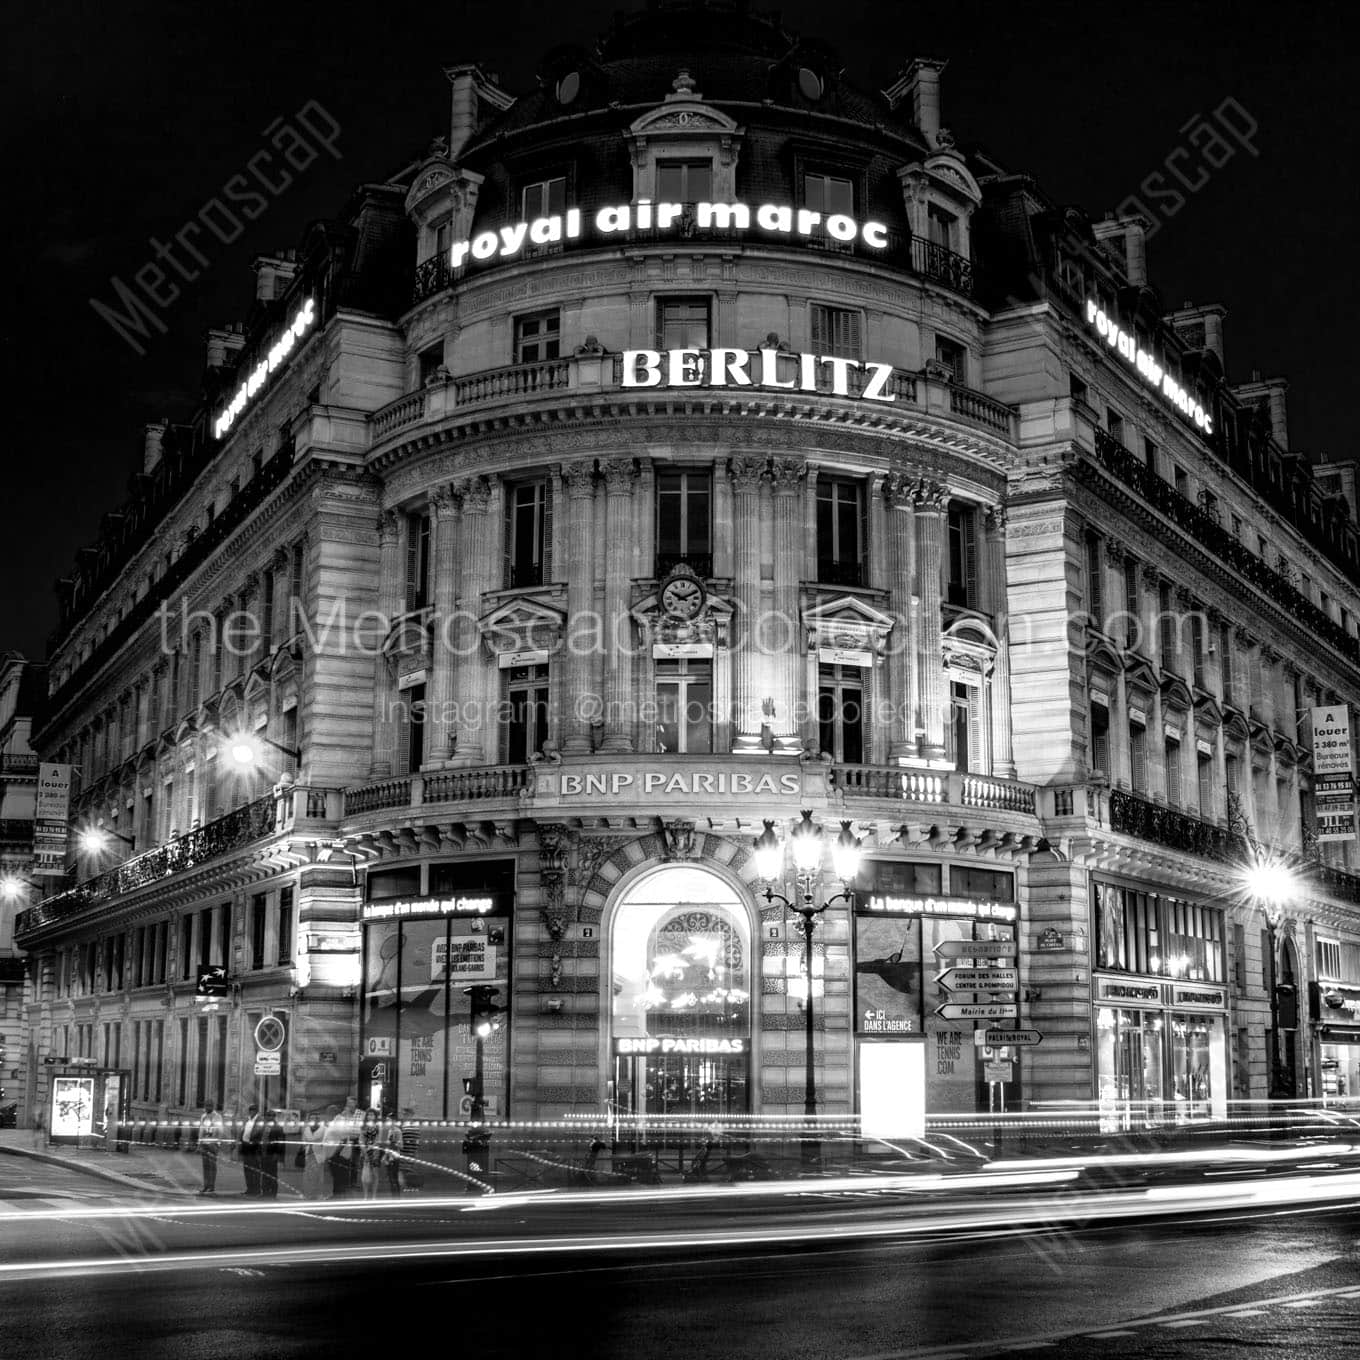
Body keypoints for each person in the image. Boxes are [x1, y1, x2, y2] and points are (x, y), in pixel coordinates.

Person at [320, 1100, 355, 1199]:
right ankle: (337, 1194)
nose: (327, 1114)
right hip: (334, 1154)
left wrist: (335, 1154)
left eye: (329, 1112)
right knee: (336, 1175)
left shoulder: (340, 1121)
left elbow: (343, 1138)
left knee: (339, 1175)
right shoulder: (334, 1121)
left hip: (339, 1155)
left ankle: (339, 1195)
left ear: (333, 1113)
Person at [197, 1101, 224, 1195]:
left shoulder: (217, 1116)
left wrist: (218, 1143)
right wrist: (199, 1143)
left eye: (210, 1106)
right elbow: (201, 1130)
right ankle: (206, 1185)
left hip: (213, 1144)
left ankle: (211, 1186)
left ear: (213, 1106)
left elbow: (220, 1131)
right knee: (205, 1166)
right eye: (206, 1106)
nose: (208, 1107)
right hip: (204, 1143)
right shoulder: (203, 1116)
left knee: (212, 1166)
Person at [259, 1110, 285, 1199]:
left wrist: (277, 1154)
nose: (269, 1117)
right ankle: (265, 1192)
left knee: (272, 1174)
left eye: (271, 1115)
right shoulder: (263, 1126)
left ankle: (273, 1193)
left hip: (272, 1153)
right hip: (263, 1153)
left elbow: (280, 1142)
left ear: (274, 1117)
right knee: (264, 1173)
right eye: (267, 1115)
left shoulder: (278, 1127)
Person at [358, 1107, 383, 1200]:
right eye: (368, 1114)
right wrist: (364, 1150)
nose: (370, 1116)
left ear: (375, 1116)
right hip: (364, 1152)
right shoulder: (363, 1127)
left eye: (372, 1114)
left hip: (375, 1152)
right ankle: (365, 1196)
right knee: (364, 1175)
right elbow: (360, 1139)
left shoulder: (378, 1127)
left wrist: (371, 1147)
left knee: (375, 1174)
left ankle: (374, 1196)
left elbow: (378, 1140)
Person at [239, 1103, 264, 1196]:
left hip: (254, 1147)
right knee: (247, 1168)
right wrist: (241, 1139)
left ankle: (256, 1189)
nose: (251, 1112)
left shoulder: (260, 1120)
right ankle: (249, 1188)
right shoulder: (247, 1119)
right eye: (250, 1110)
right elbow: (242, 1130)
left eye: (253, 1110)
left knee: (255, 1169)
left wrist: (252, 1141)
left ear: (256, 1111)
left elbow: (258, 1132)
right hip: (246, 1146)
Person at [301, 1111, 327, 1199]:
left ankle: (319, 1194)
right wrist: (305, 1147)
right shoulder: (306, 1129)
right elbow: (303, 1141)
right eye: (311, 1118)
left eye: (315, 1118)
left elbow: (326, 1142)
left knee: (319, 1175)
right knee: (308, 1175)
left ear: (318, 1119)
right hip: (309, 1153)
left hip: (318, 1154)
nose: (313, 1120)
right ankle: (308, 1194)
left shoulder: (324, 1129)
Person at [382, 1108, 405, 1196]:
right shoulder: (389, 1131)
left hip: (394, 1157)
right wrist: (385, 1155)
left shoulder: (397, 1131)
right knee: (391, 1178)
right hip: (389, 1156)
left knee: (394, 1178)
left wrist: (393, 1142)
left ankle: (396, 1197)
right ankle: (394, 1196)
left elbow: (401, 1145)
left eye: (389, 1120)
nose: (387, 1122)